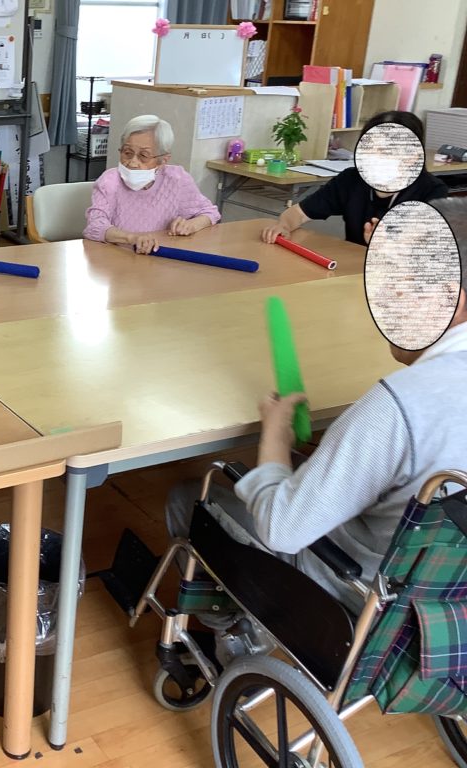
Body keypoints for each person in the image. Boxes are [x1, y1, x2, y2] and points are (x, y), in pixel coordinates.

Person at [168, 196, 467, 630]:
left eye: (397, 286)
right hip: (448, 609)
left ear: (448, 299)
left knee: (186, 498)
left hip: (369, 599)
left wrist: (274, 441)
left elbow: (282, 528)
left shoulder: (398, 406)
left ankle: (236, 636)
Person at [261, 110, 448, 247]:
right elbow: (299, 213)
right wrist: (284, 226)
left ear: (412, 157)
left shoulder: (431, 191)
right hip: (351, 270)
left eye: (384, 151)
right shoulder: (351, 179)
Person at [82, 114, 221, 254]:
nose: (132, 163)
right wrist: (132, 238)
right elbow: (95, 227)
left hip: (162, 256)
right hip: (119, 256)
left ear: (163, 160)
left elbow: (210, 212)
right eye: (127, 153)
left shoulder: (176, 179)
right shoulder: (109, 181)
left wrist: (191, 225)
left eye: (143, 156)